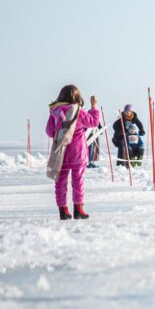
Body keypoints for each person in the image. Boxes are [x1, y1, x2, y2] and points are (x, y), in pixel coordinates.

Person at [46, 85, 101, 220]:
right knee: (78, 181)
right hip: (78, 153)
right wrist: (94, 107)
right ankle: (78, 210)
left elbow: (50, 131)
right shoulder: (79, 111)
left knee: (60, 182)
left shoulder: (55, 112)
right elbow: (93, 122)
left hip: (61, 152)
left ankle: (63, 210)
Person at [112, 104, 145, 168]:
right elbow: (114, 125)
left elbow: (139, 124)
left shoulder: (133, 117)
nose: (127, 113)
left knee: (131, 146)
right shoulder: (121, 117)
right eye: (125, 111)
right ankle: (121, 164)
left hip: (128, 135)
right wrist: (120, 131)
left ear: (131, 112)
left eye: (128, 111)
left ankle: (132, 160)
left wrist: (141, 130)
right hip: (120, 136)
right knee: (123, 146)